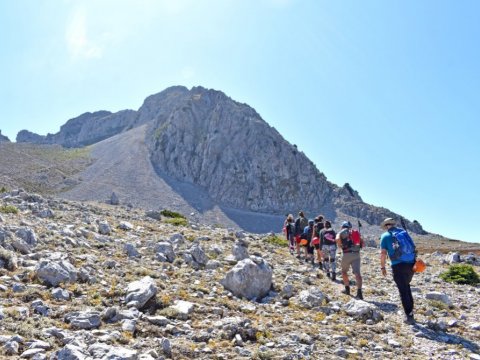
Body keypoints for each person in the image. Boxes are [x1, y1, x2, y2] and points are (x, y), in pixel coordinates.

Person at [380, 217, 416, 324]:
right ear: (393, 224)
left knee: (403, 290)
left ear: (386, 226)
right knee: (407, 286)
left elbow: (383, 254)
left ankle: (409, 316)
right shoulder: (403, 233)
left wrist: (382, 267)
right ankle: (410, 312)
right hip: (411, 263)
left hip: (398, 265)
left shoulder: (385, 236)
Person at [336, 221, 364, 300]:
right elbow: (363, 243)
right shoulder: (355, 232)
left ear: (343, 226)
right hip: (356, 254)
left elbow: (337, 239)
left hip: (347, 254)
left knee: (344, 271)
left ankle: (347, 290)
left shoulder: (341, 232)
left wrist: (340, 245)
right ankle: (359, 293)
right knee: (357, 273)